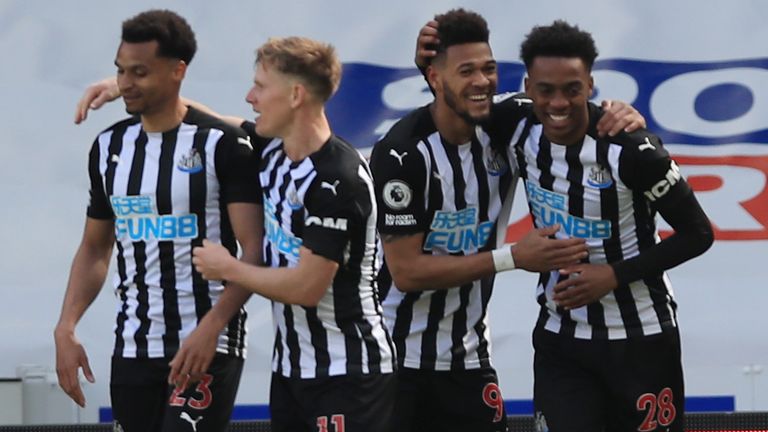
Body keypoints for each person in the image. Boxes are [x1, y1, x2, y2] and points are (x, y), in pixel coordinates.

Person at [371, 9, 646, 432]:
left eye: (489, 68)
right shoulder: (402, 152)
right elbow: (406, 272)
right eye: (467, 71)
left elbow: (567, 106)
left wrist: (621, 116)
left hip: (468, 359)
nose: (482, 81)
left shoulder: (510, 123)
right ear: (435, 79)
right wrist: (514, 257)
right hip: (394, 360)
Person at [54, 9, 261, 432]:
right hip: (133, 345)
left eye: (139, 72)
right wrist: (66, 326)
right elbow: (95, 247)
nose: (125, 84)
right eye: (120, 71)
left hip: (207, 342)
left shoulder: (221, 144)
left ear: (177, 71)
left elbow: (254, 252)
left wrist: (213, 326)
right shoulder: (111, 146)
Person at [513, 21, 714, 432]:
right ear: (528, 87)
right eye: (545, 90)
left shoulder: (633, 149)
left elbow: (699, 233)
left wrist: (613, 276)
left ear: (590, 85)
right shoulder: (515, 126)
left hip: (641, 338)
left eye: (572, 89)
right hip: (560, 337)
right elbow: (458, 101)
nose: (558, 103)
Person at [190, 37, 396, 432]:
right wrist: (135, 92)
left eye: (261, 86)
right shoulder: (273, 150)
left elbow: (306, 288)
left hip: (348, 373)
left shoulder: (337, 179)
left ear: (296, 94)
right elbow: (217, 121)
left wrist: (228, 267)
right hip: (291, 372)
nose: (250, 97)